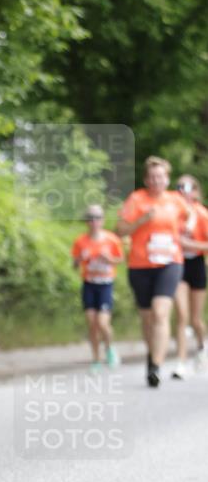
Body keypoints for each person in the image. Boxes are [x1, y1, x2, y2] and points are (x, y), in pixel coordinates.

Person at [116, 156, 189, 387]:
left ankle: (156, 365)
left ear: (167, 179)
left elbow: (190, 217)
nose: (156, 180)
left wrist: (187, 230)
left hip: (170, 263)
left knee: (160, 312)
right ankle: (152, 354)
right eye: (152, 177)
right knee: (147, 318)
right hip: (140, 265)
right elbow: (119, 230)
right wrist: (142, 220)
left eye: (161, 176)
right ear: (146, 179)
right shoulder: (136, 199)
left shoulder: (176, 200)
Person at [71, 205, 124, 372]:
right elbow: (74, 265)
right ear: (86, 221)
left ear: (103, 220)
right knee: (92, 324)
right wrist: (80, 259)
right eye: (90, 218)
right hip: (89, 284)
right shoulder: (81, 241)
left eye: (97, 218)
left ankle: (109, 348)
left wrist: (109, 259)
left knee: (103, 323)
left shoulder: (111, 239)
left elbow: (120, 259)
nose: (94, 221)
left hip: (105, 285)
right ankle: (95, 360)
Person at [173, 174, 208, 377]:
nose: (183, 191)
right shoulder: (172, 212)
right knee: (182, 315)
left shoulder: (202, 214)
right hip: (177, 264)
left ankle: (202, 346)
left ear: (195, 191)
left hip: (196, 264)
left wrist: (189, 244)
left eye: (187, 187)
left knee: (195, 319)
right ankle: (181, 362)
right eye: (179, 187)